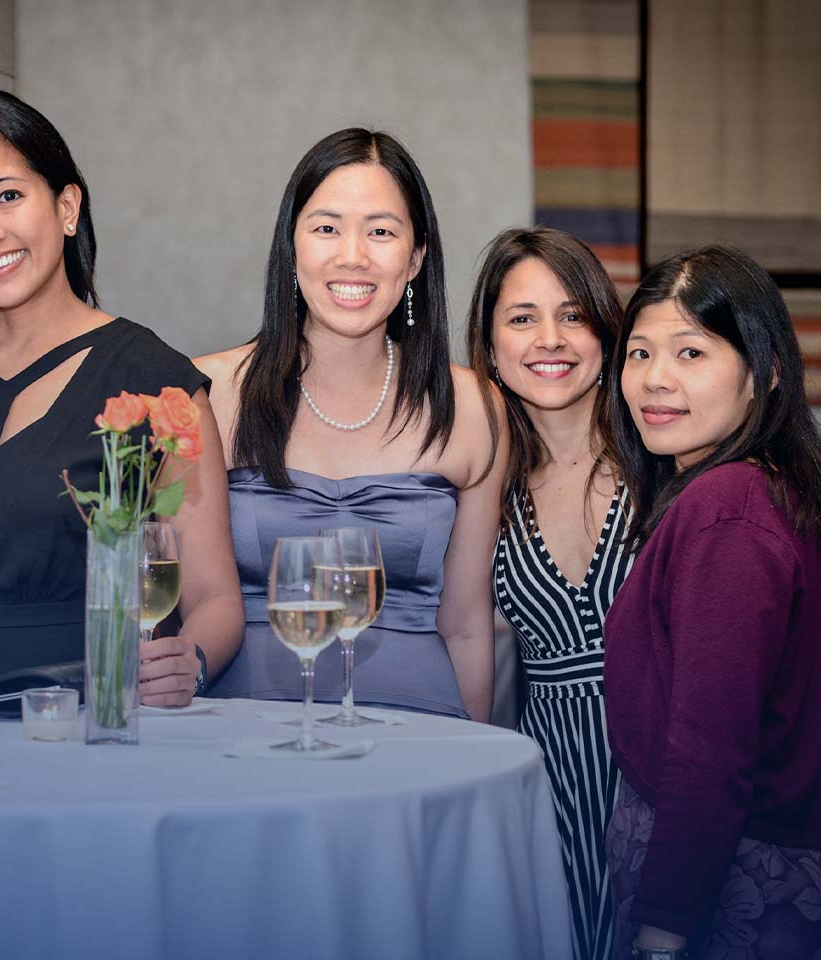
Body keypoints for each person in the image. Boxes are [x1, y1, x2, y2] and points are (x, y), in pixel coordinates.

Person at [0, 90, 242, 707]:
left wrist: (190, 662)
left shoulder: (155, 385)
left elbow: (214, 598)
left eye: (8, 195)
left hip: (80, 723)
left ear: (66, 206)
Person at [195, 128, 505, 722]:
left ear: (415, 258)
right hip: (242, 729)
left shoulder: (473, 408)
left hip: (422, 726)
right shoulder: (208, 394)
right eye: (327, 227)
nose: (353, 256)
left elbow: (467, 627)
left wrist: (475, 757)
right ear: (292, 247)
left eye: (381, 231)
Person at [603, 246, 821, 959]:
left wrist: (663, 933)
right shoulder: (758, 487)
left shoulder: (728, 510)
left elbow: (710, 748)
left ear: (767, 373)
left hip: (727, 885)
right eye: (638, 353)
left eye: (690, 353)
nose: (654, 381)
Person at [465, 227, 632, 960]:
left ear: (605, 328)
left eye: (572, 314)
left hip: (672, 773)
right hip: (549, 782)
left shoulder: (667, 461)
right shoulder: (482, 488)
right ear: (492, 345)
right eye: (522, 317)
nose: (550, 339)